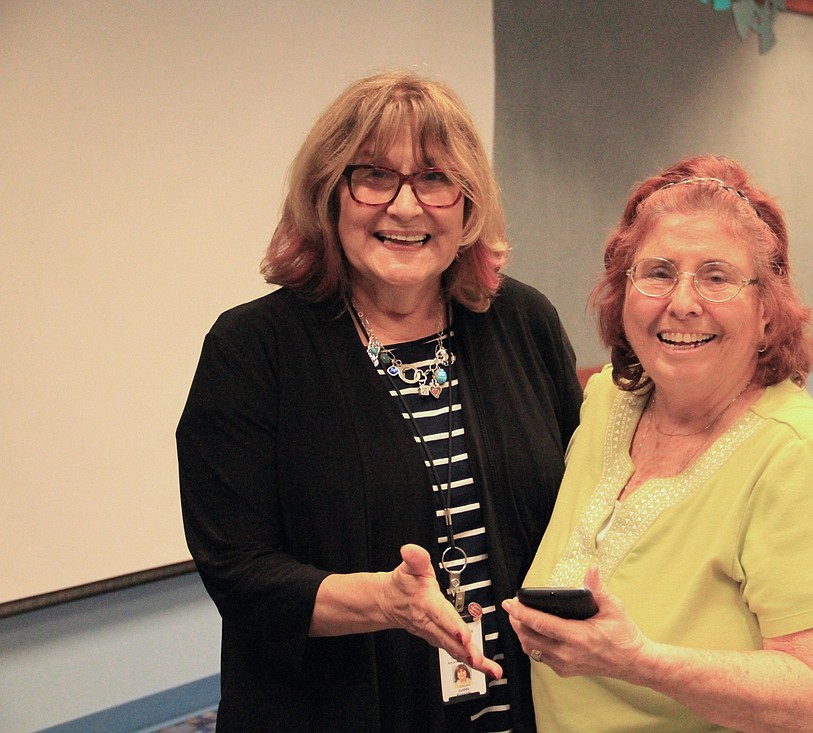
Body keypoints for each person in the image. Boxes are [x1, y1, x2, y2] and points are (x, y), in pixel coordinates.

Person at [177, 71, 582, 732]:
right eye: (373, 175)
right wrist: (386, 601)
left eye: (434, 177)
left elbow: (583, 505)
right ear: (328, 194)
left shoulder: (523, 322)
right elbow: (239, 571)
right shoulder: (253, 350)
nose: (405, 206)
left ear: (468, 202)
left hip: (520, 710)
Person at [504, 155, 813, 732]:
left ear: (768, 314)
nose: (683, 302)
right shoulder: (606, 405)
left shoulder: (804, 455)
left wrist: (639, 662)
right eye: (658, 273)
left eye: (717, 277)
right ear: (623, 297)